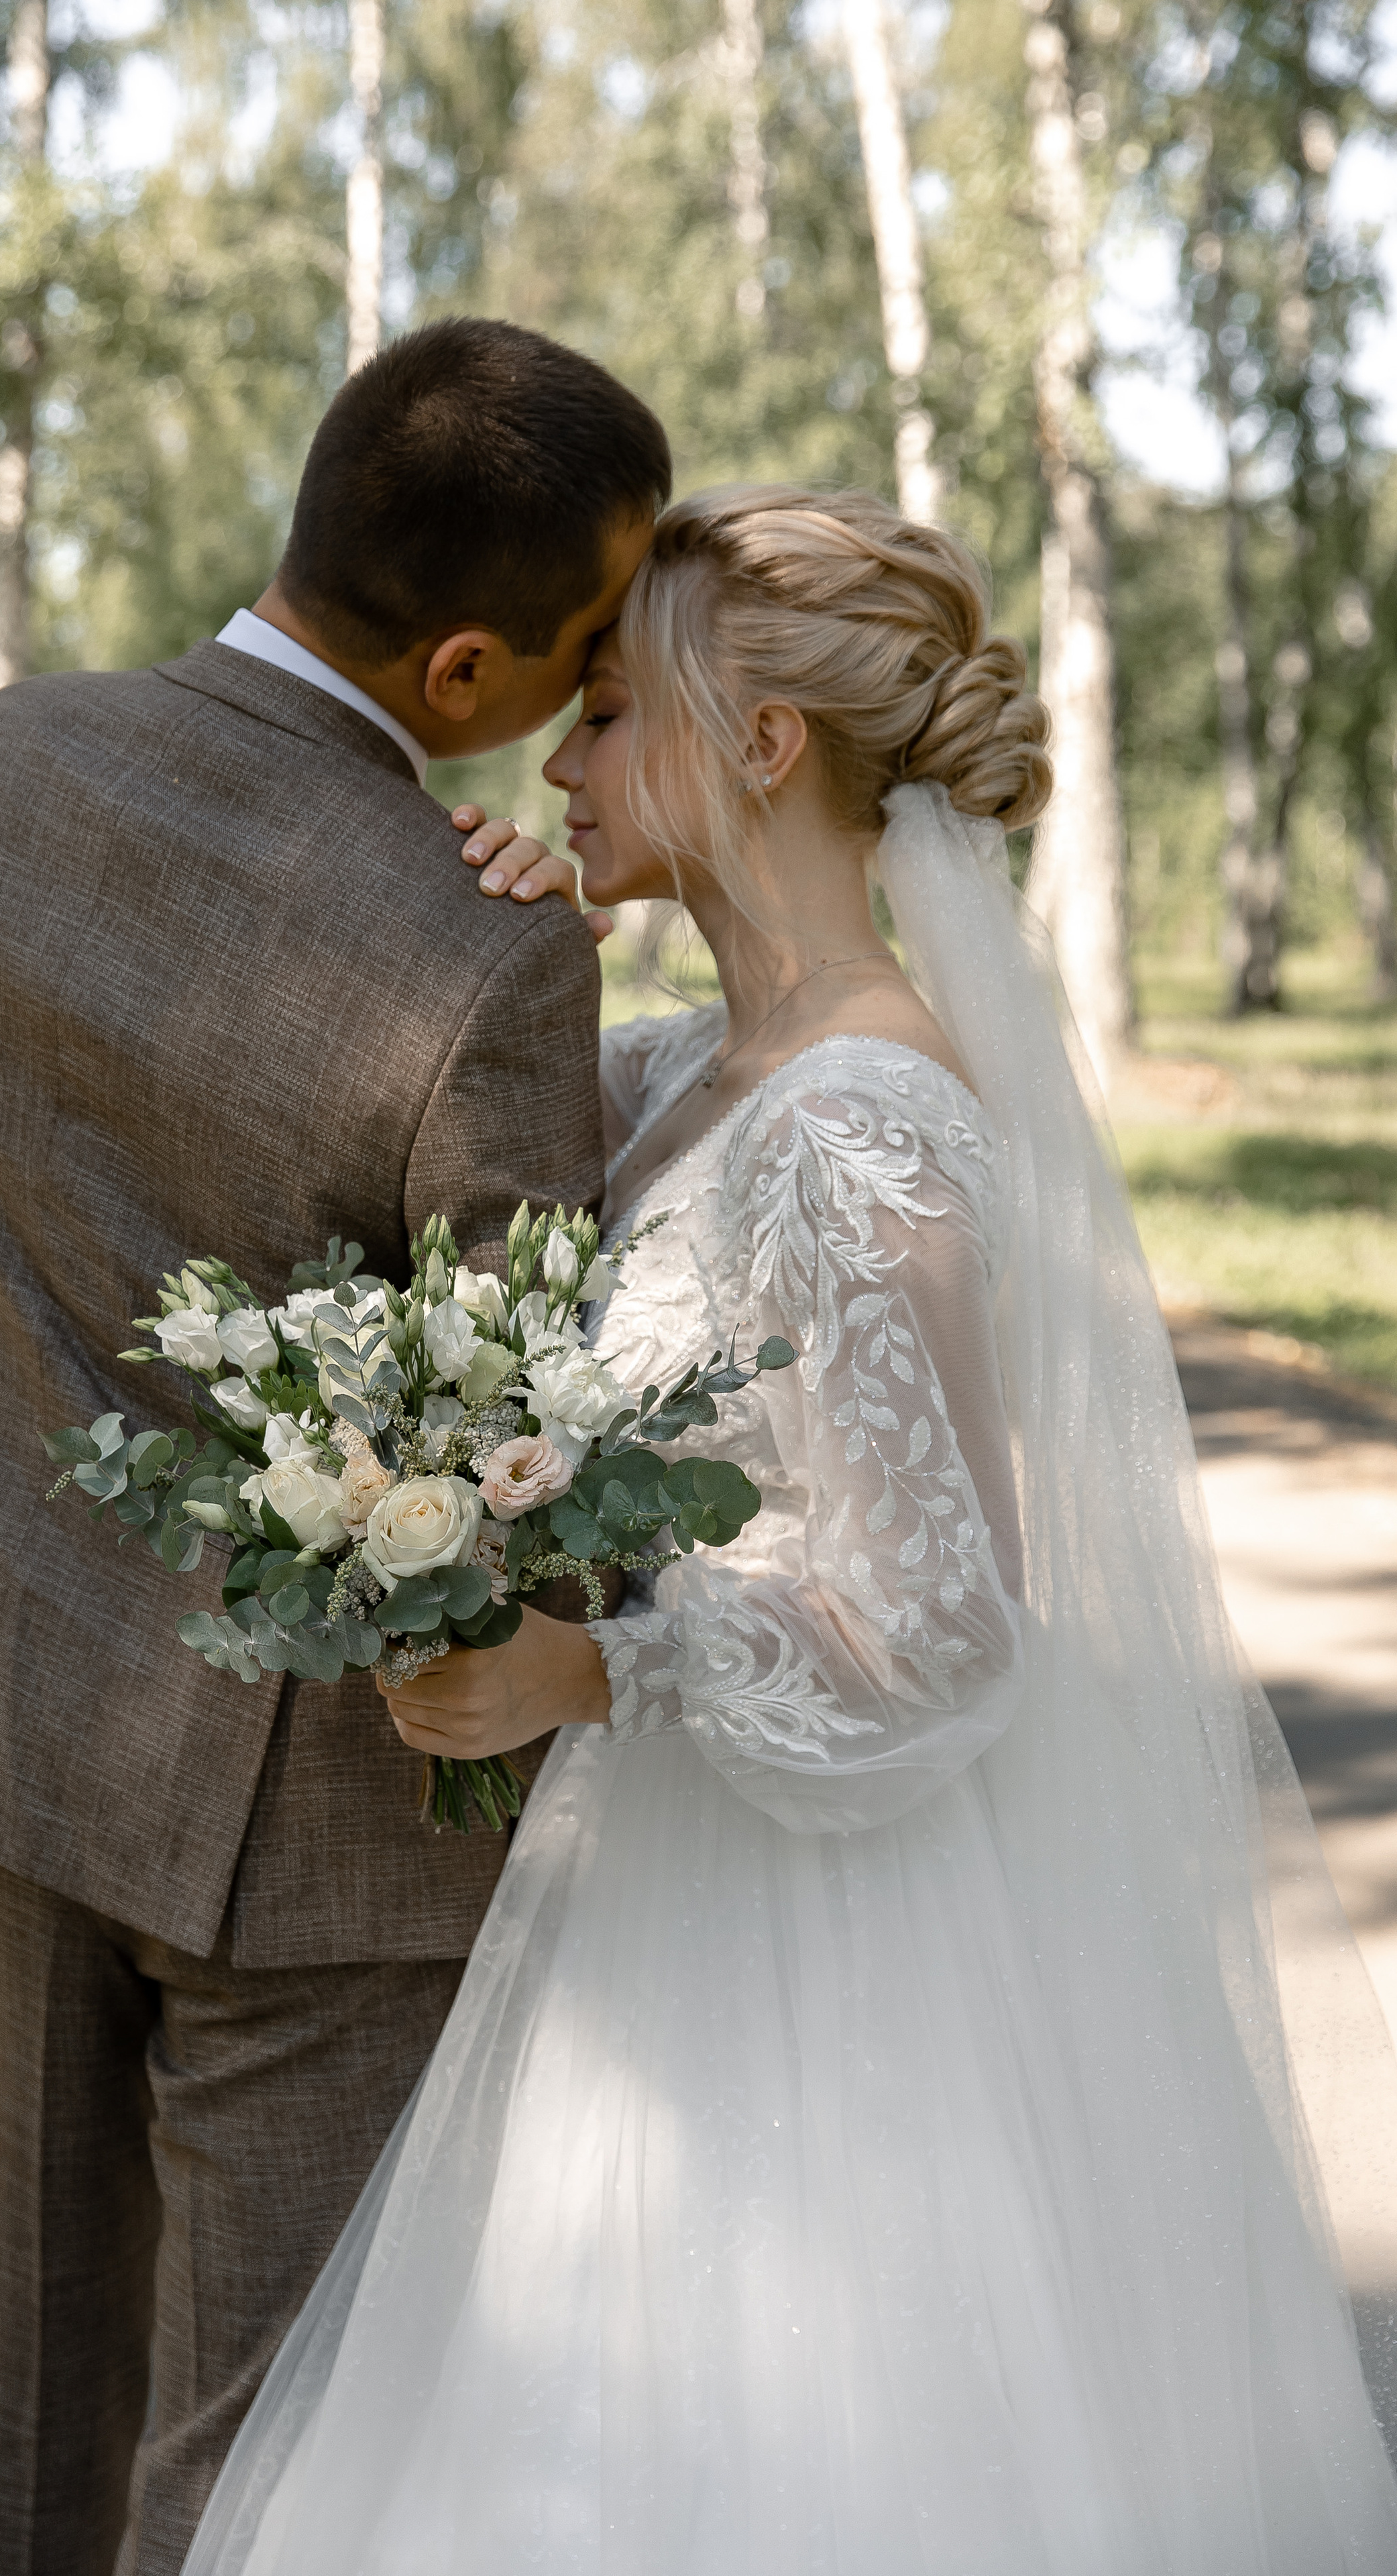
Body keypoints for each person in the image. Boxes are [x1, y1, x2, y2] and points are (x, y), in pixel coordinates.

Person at [180, 488, 1397, 2573]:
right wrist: (476, 924)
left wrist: (602, 1661)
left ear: (760, 747)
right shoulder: (679, 1072)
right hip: (654, 1893)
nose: (555, 766)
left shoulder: (864, 1125)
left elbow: (951, 1631)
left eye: (604, 718)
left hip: (824, 1946)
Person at [0, 317, 669, 2575]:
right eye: (584, 655)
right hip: (333, 1826)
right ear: (468, 661)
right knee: (271, 2443)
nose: (587, 705)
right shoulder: (486, 959)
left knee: (31, 2380)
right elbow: (520, 1463)